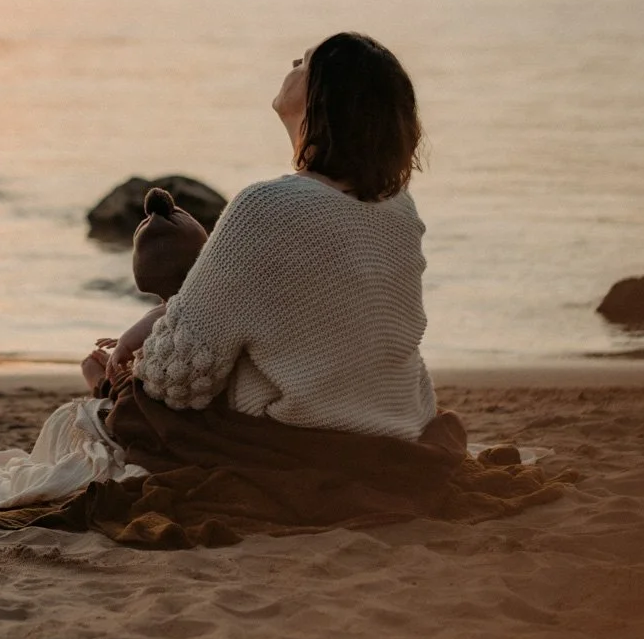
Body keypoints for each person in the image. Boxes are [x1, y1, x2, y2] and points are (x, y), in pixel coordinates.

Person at [94, 31, 437, 442]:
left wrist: (130, 365)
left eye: (306, 62)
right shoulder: (399, 205)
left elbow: (177, 382)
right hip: (400, 424)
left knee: (97, 393)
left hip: (299, 436)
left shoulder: (265, 208)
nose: (294, 63)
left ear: (326, 100)